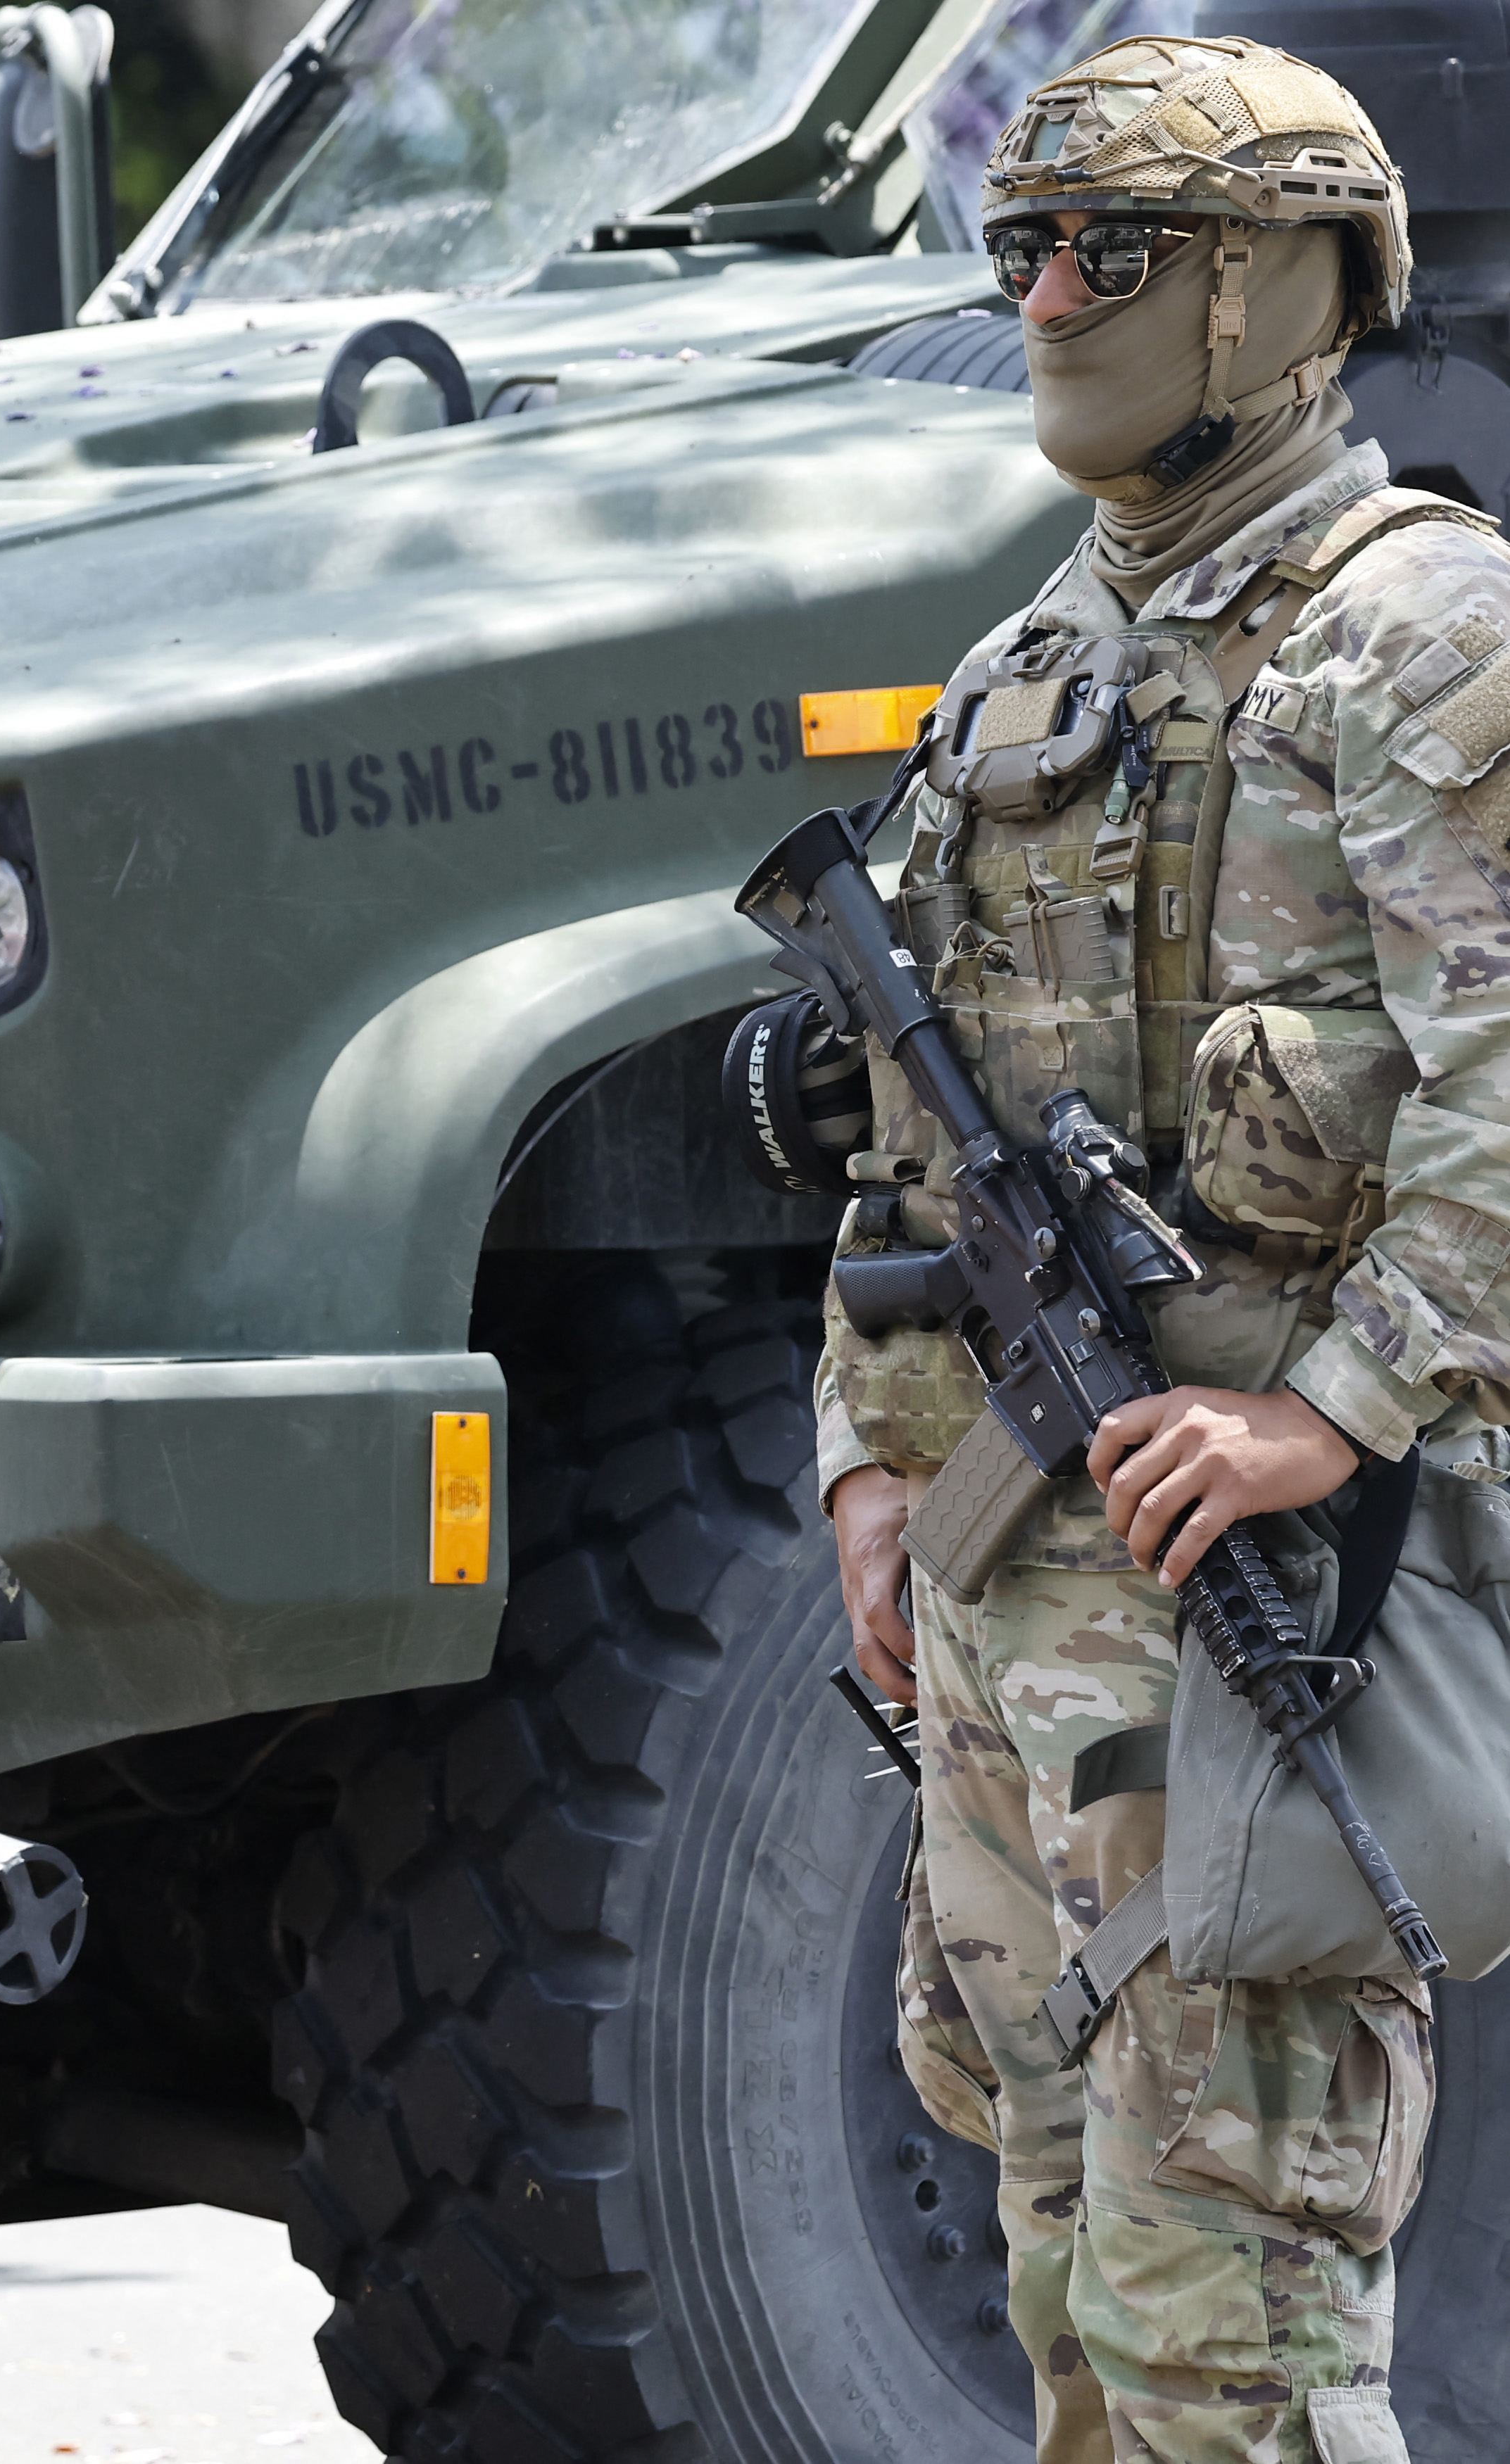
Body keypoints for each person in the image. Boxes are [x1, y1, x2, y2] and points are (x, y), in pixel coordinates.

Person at [817, 37, 1504, 2462]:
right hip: (1026, 1594)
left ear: (1268, 293)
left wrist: (1340, 1399)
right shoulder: (1036, 663)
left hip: (1272, 1617)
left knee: (1240, 2344)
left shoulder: (1417, 633)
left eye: (1107, 250)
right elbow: (923, 1140)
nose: (1045, 297)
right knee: (1074, 2318)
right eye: (1019, 248)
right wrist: (877, 1473)